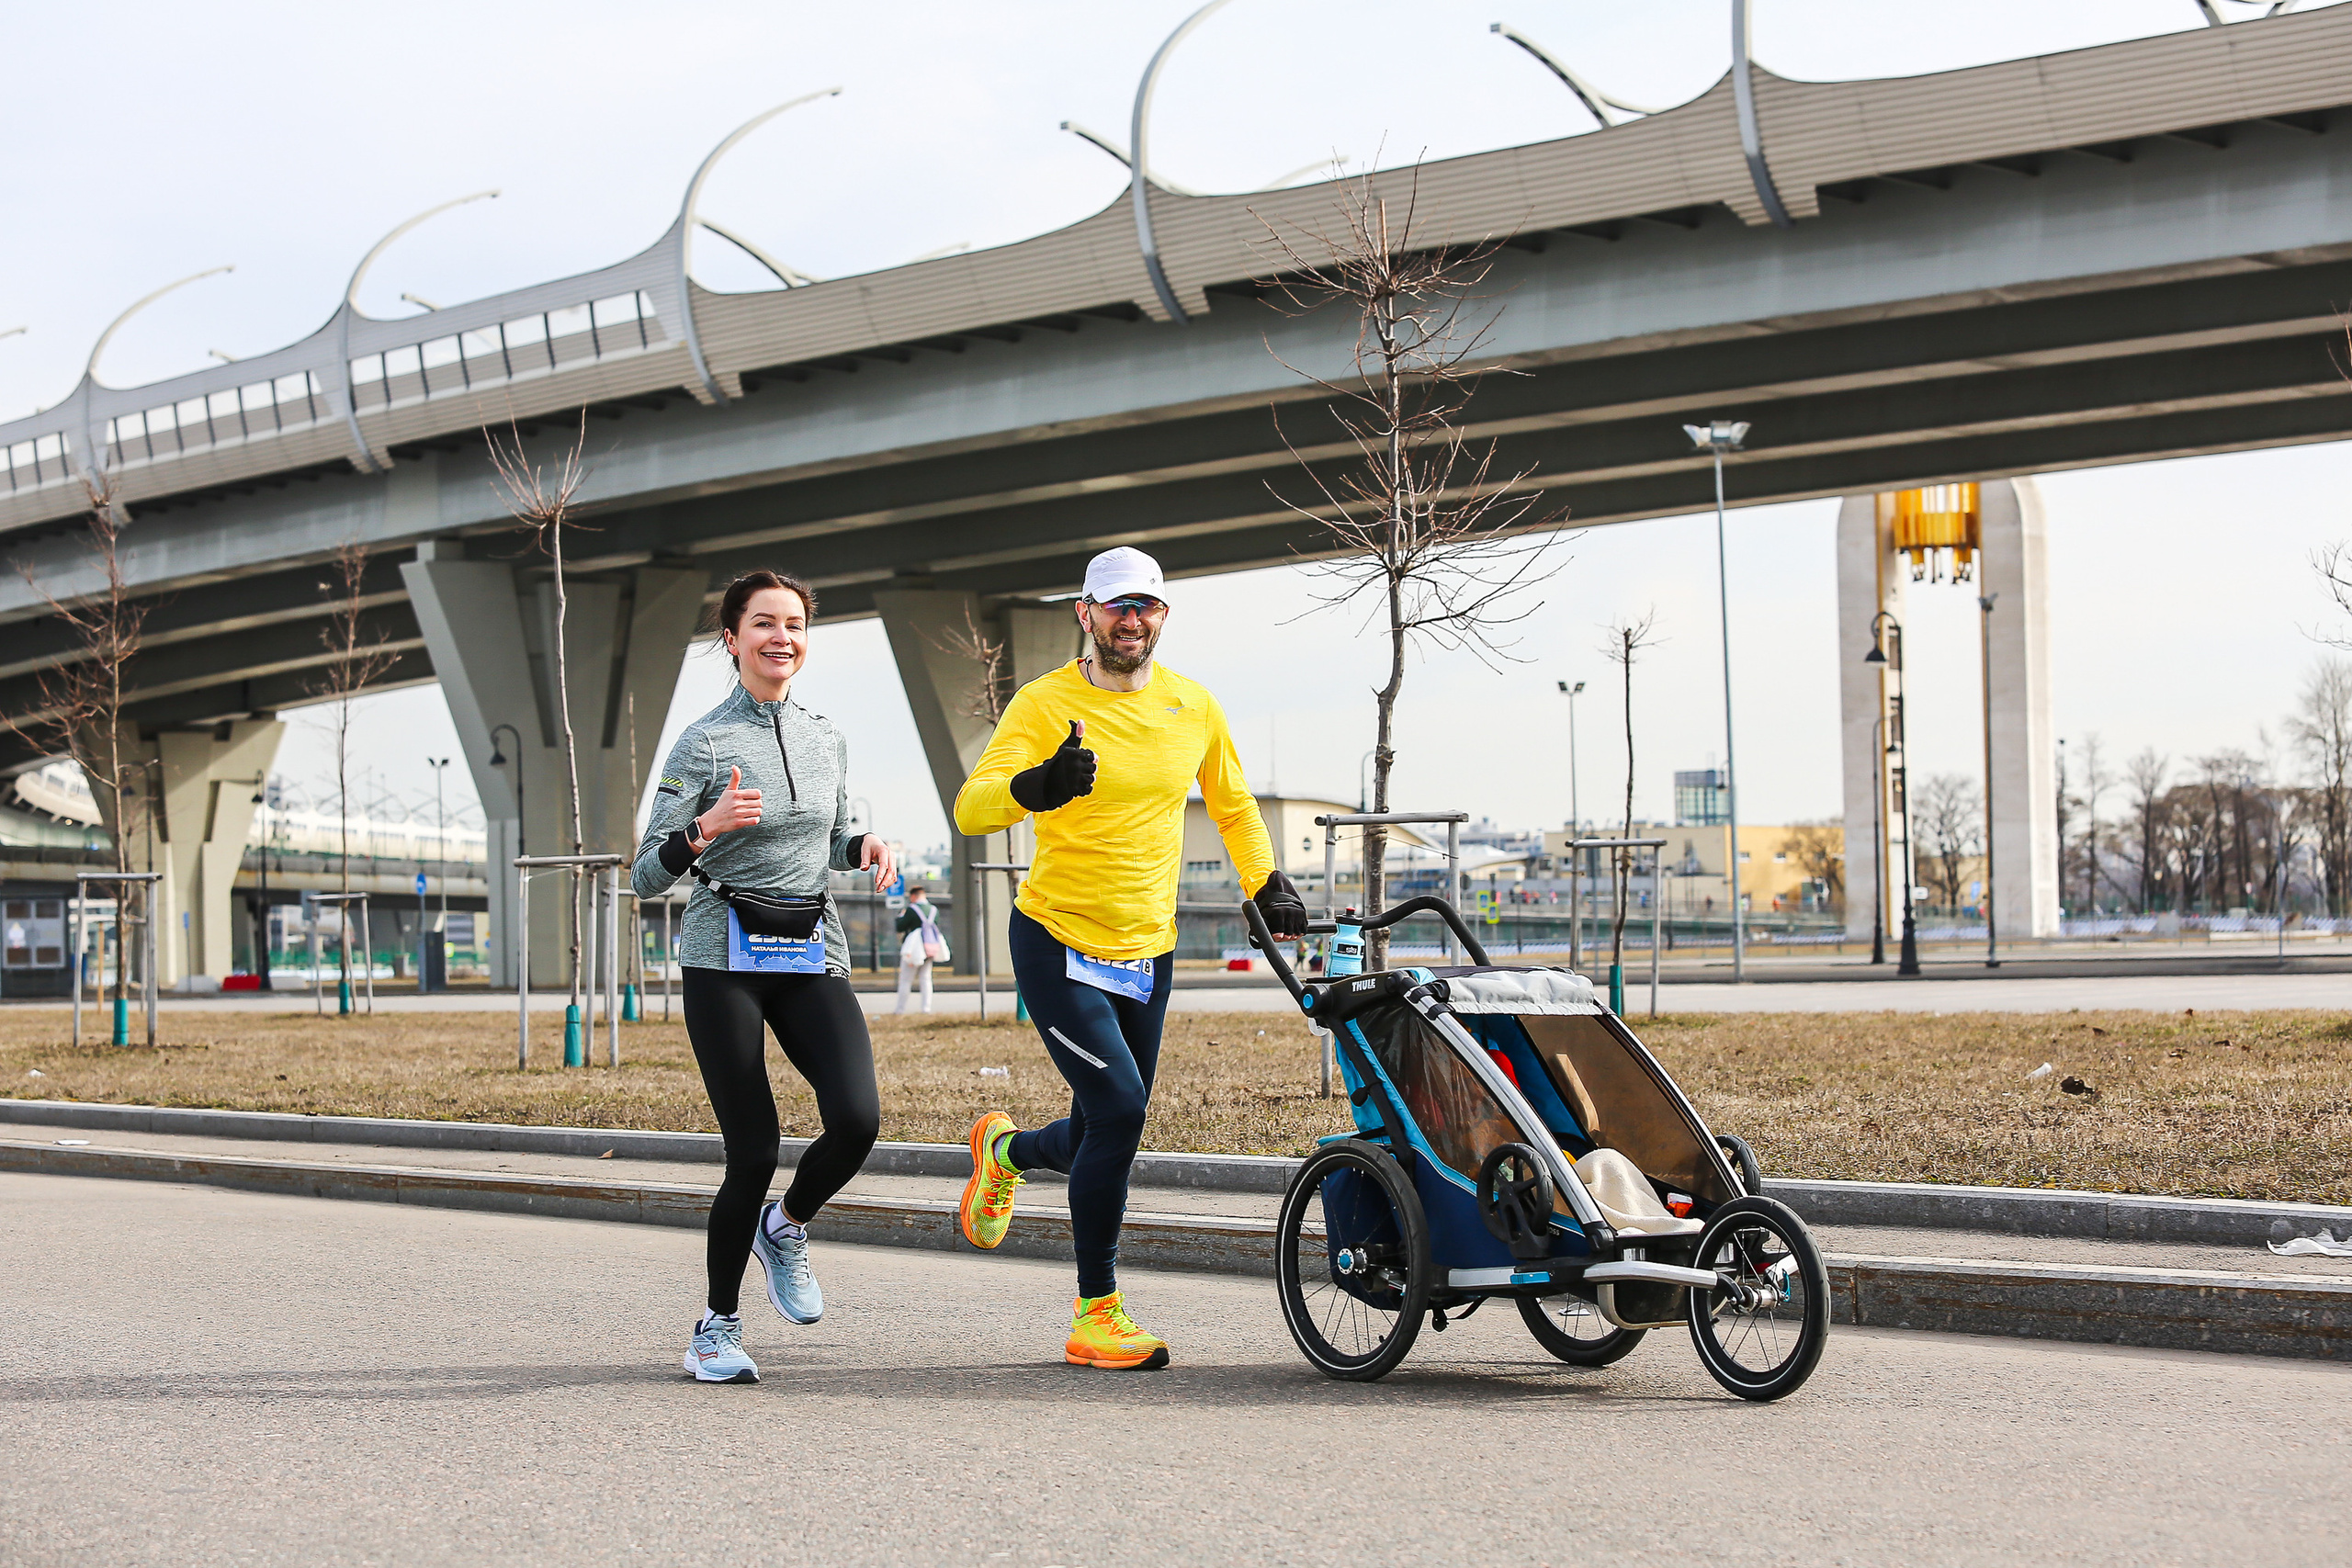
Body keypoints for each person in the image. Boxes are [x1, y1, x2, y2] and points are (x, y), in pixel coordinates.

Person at [953, 546, 1306, 1371]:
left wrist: (1268, 881)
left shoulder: (1193, 705)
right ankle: (1096, 1312)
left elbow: (1233, 801)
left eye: (1145, 605)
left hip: (1149, 948)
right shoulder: (1044, 703)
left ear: (1163, 617)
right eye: (1116, 606)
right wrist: (1035, 786)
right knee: (1118, 1110)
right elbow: (973, 807)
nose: (1130, 619)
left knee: (1098, 1125)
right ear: (1085, 613)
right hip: (1058, 941)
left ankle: (1002, 1154)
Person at [632, 570, 896, 1385]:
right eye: (765, 624)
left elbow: (834, 834)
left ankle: (786, 1225)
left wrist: (866, 849)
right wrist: (702, 830)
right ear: (733, 639)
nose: (782, 637)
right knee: (753, 1147)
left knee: (857, 1119)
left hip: (808, 947)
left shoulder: (826, 735)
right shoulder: (702, 742)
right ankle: (715, 1329)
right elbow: (645, 872)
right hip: (723, 958)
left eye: (795, 625)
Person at [893, 885, 945, 1014]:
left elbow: (900, 927)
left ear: (913, 896)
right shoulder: (934, 909)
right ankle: (926, 1008)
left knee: (906, 979)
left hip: (914, 948)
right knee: (926, 978)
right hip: (930, 947)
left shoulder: (911, 909)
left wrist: (900, 917)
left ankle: (900, 1009)